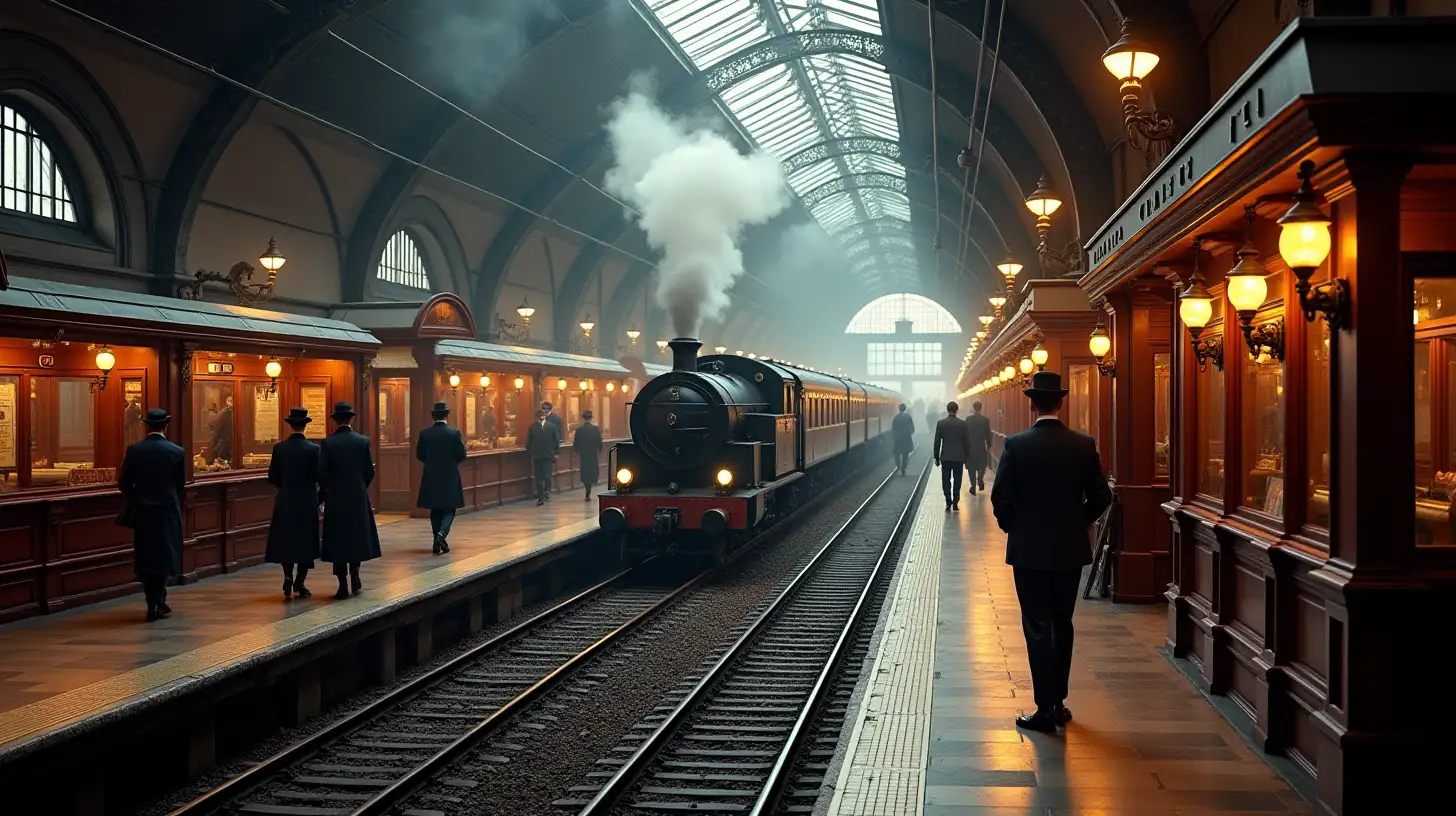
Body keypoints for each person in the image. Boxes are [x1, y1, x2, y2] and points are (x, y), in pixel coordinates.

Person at [990, 371, 1113, 733]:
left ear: (1032, 404)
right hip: (1069, 550)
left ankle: (1044, 708)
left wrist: (1014, 526)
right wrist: (1078, 522)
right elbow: (1102, 496)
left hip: (1028, 551)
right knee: (1063, 623)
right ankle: (1058, 702)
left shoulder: (1016, 444)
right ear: (1061, 403)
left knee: (1037, 625)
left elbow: (1001, 498)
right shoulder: (1083, 444)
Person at [118, 408, 185, 622]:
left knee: (146, 555)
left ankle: (152, 600)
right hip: (168, 510)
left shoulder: (134, 450)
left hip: (144, 511)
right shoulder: (177, 452)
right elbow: (180, 485)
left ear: (146, 425)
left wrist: (136, 498)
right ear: (166, 426)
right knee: (166, 553)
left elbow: (124, 482)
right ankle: (159, 598)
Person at [318, 402, 382, 599]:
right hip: (357, 496)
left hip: (336, 497)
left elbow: (321, 472)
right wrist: (360, 486)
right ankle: (355, 570)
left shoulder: (328, 443)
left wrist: (327, 490)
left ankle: (342, 583)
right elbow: (369, 471)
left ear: (335, 421)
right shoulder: (362, 441)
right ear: (351, 419)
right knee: (356, 535)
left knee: (338, 538)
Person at [265, 408, 321, 599]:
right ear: (306, 425)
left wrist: (285, 486)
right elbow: (319, 475)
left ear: (290, 425)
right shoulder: (314, 449)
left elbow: (272, 476)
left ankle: (287, 575)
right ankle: (300, 581)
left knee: (286, 540)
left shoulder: (279, 448)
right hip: (307, 499)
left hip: (286, 499)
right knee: (306, 541)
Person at [417, 401, 466, 554]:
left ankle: (436, 540)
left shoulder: (425, 433)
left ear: (433, 416)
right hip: (450, 475)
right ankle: (441, 535)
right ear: (447, 416)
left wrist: (431, 463)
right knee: (449, 509)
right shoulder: (454, 433)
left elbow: (420, 454)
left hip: (431, 475)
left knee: (435, 509)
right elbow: (461, 455)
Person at [933, 401, 973, 511]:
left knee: (946, 479)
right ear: (957, 410)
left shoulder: (941, 423)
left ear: (947, 410)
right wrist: (967, 457)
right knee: (957, 479)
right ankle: (956, 500)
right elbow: (967, 442)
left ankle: (948, 500)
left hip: (945, 457)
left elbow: (937, 442)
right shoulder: (963, 424)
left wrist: (936, 457)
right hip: (959, 457)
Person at [526, 408, 561, 505]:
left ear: (545, 416)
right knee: (538, 477)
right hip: (537, 456)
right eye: (539, 416)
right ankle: (540, 496)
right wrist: (531, 452)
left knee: (547, 475)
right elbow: (529, 442)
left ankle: (547, 491)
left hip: (548, 455)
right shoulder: (532, 427)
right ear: (536, 417)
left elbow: (557, 440)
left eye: (542, 415)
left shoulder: (551, 426)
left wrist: (556, 453)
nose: (541, 417)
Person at [573, 409, 604, 500]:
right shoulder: (595, 429)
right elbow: (600, 442)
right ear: (591, 418)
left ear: (583, 418)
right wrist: (599, 451)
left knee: (585, 471)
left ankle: (587, 488)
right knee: (592, 471)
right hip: (592, 454)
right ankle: (589, 488)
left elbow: (576, 443)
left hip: (584, 454)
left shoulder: (579, 430)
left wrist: (577, 452)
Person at [965, 400, 993, 495]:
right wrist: (989, 445)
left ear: (973, 408)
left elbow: (965, 433)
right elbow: (988, 434)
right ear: (981, 408)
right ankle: (980, 478)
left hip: (970, 447)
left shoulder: (968, 419)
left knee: (971, 468)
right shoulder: (985, 420)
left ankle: (973, 486)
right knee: (982, 465)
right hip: (981, 446)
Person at [542, 401, 564, 492]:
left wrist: (556, 451)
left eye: (546, 409)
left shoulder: (556, 419)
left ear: (550, 409)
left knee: (548, 471)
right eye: (543, 409)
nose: (545, 411)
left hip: (550, 449)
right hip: (540, 449)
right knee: (541, 471)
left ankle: (547, 489)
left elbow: (559, 435)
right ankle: (542, 489)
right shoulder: (539, 418)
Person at [891, 403, 915, 475]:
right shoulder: (908, 417)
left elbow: (893, 428)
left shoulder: (896, 417)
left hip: (898, 439)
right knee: (905, 454)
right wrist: (910, 433)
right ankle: (903, 468)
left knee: (897, 453)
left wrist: (895, 436)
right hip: (906, 438)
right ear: (905, 408)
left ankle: (898, 465)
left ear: (899, 409)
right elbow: (912, 427)